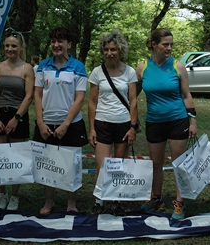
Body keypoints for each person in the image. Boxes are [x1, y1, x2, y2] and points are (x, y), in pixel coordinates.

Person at [136, 28, 197, 221]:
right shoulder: (142, 67)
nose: (169, 48)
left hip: (178, 120)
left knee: (178, 164)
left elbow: (186, 94)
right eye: (165, 44)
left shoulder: (178, 66)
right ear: (154, 44)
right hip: (154, 121)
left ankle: (180, 202)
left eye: (171, 44)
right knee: (156, 164)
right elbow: (133, 95)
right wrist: (131, 118)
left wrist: (193, 120)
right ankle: (156, 197)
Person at [34, 27, 88, 215]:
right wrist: (40, 123)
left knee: (70, 164)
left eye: (61, 41)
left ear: (69, 44)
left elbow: (80, 98)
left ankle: (71, 203)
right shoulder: (42, 66)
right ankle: (49, 202)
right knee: (48, 164)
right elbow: (38, 95)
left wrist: (66, 124)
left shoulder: (78, 67)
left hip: (71, 125)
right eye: (53, 41)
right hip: (46, 123)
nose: (56, 45)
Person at [88, 32, 138, 216]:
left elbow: (133, 101)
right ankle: (99, 201)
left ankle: (116, 200)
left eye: (113, 49)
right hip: (102, 123)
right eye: (106, 49)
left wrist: (133, 127)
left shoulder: (130, 72)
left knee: (118, 166)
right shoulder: (97, 72)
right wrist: (92, 128)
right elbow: (92, 102)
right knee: (102, 166)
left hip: (123, 124)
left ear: (120, 50)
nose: (109, 53)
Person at [0, 30, 34, 210]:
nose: (10, 49)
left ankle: (14, 195)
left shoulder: (27, 68)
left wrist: (16, 118)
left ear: (20, 47)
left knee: (16, 158)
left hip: (18, 116)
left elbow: (29, 96)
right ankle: (2, 193)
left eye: (14, 45)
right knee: (0, 158)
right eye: (7, 45)